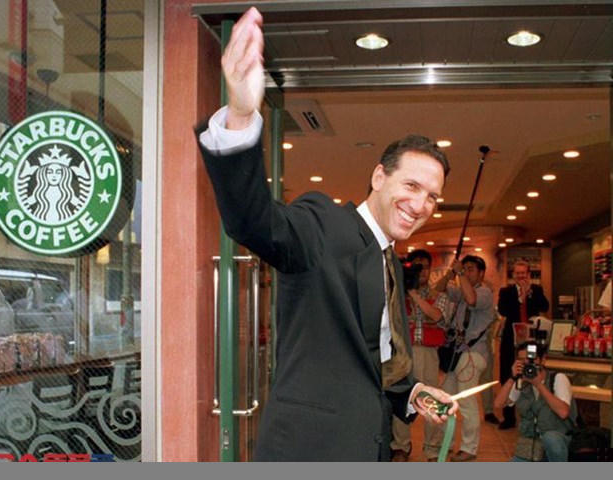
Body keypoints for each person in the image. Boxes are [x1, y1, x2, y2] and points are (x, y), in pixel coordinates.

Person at [195, 7, 458, 462]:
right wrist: (241, 114)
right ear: (379, 177)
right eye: (412, 186)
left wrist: (413, 393)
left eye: (432, 197)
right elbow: (253, 221)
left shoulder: (391, 262)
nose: (421, 205)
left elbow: (374, 358)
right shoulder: (323, 223)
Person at [390, 249, 452, 461]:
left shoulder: (439, 296)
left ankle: (433, 448)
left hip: (428, 353)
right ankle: (400, 446)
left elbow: (436, 316)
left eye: (425, 267)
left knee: (431, 400)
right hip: (402, 353)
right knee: (401, 397)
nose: (421, 271)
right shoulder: (396, 295)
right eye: (416, 267)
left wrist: (414, 294)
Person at [433, 255, 494, 461]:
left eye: (471, 269)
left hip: (474, 353)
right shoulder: (461, 290)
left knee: (466, 401)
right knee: (446, 398)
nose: (467, 273)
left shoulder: (485, 292)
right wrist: (450, 273)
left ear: (481, 273)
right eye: (465, 269)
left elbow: (472, 299)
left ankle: (469, 447)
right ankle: (447, 443)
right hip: (456, 353)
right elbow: (439, 289)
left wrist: (459, 273)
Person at [493, 341, 574, 462]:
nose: (527, 364)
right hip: (531, 446)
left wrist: (538, 385)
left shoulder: (558, 378)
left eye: (531, 360)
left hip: (558, 442)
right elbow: (498, 404)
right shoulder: (521, 382)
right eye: (522, 360)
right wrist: (512, 378)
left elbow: (563, 412)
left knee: (551, 438)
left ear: (543, 360)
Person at [497, 260, 549, 430]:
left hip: (531, 340)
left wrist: (529, 294)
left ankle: (534, 414)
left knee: (533, 371)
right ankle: (508, 417)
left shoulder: (537, 290)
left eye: (523, 273)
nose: (521, 276)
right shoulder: (506, 292)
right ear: (513, 275)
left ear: (528, 274)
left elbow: (545, 307)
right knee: (508, 374)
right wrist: (520, 298)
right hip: (510, 340)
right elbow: (503, 310)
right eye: (517, 273)